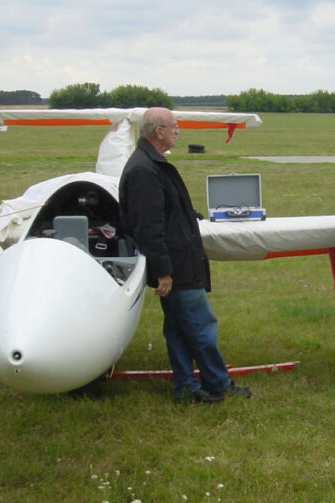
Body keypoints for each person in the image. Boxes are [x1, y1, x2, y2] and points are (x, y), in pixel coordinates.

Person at [118, 107, 251, 403]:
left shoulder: (153, 164)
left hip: (179, 262)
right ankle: (217, 382)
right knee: (202, 326)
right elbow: (147, 226)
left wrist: (188, 216)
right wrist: (163, 270)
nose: (178, 131)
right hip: (177, 267)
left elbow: (164, 212)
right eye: (174, 127)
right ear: (158, 132)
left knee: (178, 329)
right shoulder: (144, 170)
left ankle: (186, 387)